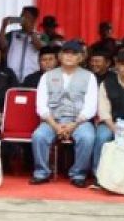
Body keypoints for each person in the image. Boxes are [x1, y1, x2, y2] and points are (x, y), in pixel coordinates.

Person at [31, 40, 97, 187]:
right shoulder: (47, 76)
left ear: (81, 57)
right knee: (39, 136)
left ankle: (78, 174)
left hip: (79, 120)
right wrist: (55, 126)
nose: (69, 56)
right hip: (52, 119)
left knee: (88, 137)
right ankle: (41, 173)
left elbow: (91, 107)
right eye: (66, 53)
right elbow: (41, 106)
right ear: (60, 56)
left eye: (74, 54)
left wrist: (74, 124)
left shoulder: (89, 77)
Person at [92, 45, 124, 169]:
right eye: (123, 64)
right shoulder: (107, 83)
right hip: (111, 123)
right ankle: (97, 174)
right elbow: (104, 111)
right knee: (102, 137)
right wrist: (115, 128)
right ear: (116, 65)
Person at [0, 6, 43, 84]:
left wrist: (30, 31)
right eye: (22, 15)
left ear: (34, 19)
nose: (23, 18)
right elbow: (1, 45)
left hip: (32, 77)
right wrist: (3, 26)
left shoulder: (41, 36)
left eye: (26, 16)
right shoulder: (12, 34)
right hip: (11, 77)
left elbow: (40, 47)